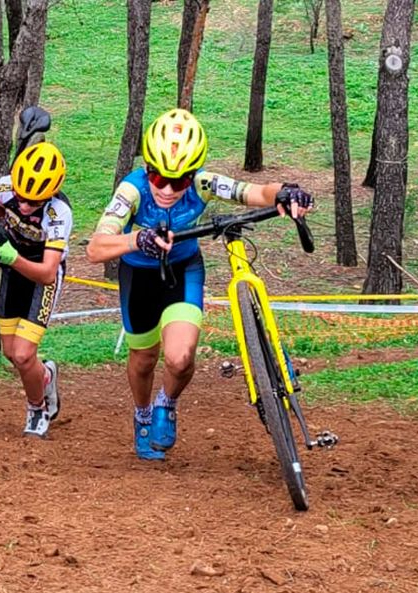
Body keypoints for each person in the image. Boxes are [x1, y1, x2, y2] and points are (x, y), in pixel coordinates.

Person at [86, 108, 313, 460]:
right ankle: (142, 413)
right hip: (139, 277)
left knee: (179, 359)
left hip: (183, 270)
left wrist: (286, 192)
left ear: (192, 175)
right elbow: (96, 248)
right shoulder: (131, 190)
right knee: (144, 359)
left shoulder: (202, 184)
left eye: (179, 182)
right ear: (147, 168)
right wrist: (138, 239)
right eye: (158, 177)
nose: (167, 189)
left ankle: (166, 403)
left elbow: (253, 191)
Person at [0, 141, 72, 438]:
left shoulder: (58, 213)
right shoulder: (6, 186)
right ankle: (45, 375)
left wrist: (12, 258)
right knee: (11, 353)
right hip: (13, 268)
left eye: (33, 203)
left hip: (41, 277)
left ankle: (37, 407)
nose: (23, 205)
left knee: (22, 355)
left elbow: (47, 273)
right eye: (21, 197)